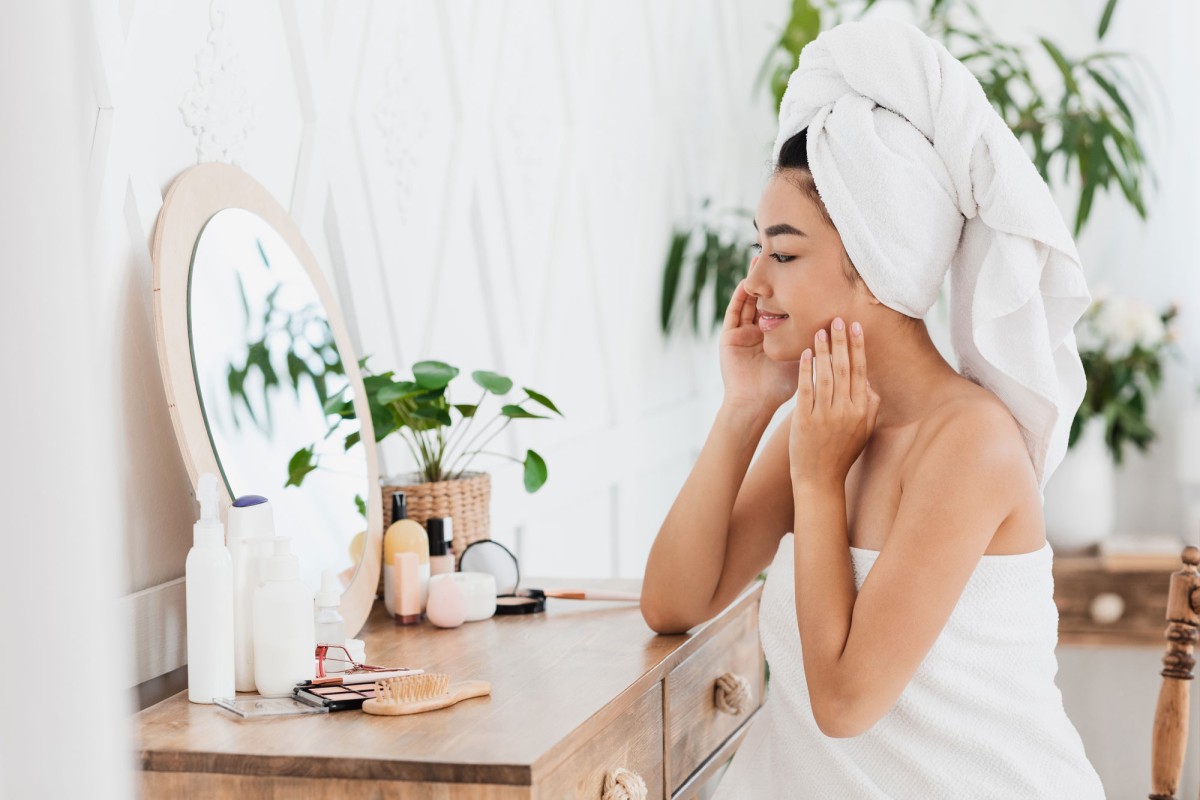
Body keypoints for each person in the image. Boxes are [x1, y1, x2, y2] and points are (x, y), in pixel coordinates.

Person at [639, 19, 1106, 799]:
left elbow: (846, 701)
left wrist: (819, 484)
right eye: (758, 249)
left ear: (876, 264)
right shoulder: (820, 427)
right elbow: (673, 602)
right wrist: (744, 410)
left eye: (783, 253)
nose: (754, 283)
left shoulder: (971, 446)